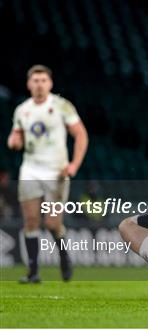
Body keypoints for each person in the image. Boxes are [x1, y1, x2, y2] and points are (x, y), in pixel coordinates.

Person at [7, 65, 88, 283]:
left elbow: (81, 135)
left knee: (52, 223)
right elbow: (15, 136)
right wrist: (13, 141)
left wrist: (73, 166)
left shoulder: (61, 106)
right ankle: (33, 273)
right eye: (35, 80)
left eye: (43, 80)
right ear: (29, 84)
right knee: (31, 220)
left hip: (56, 170)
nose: (39, 84)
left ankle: (64, 257)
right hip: (31, 169)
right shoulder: (22, 110)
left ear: (50, 83)